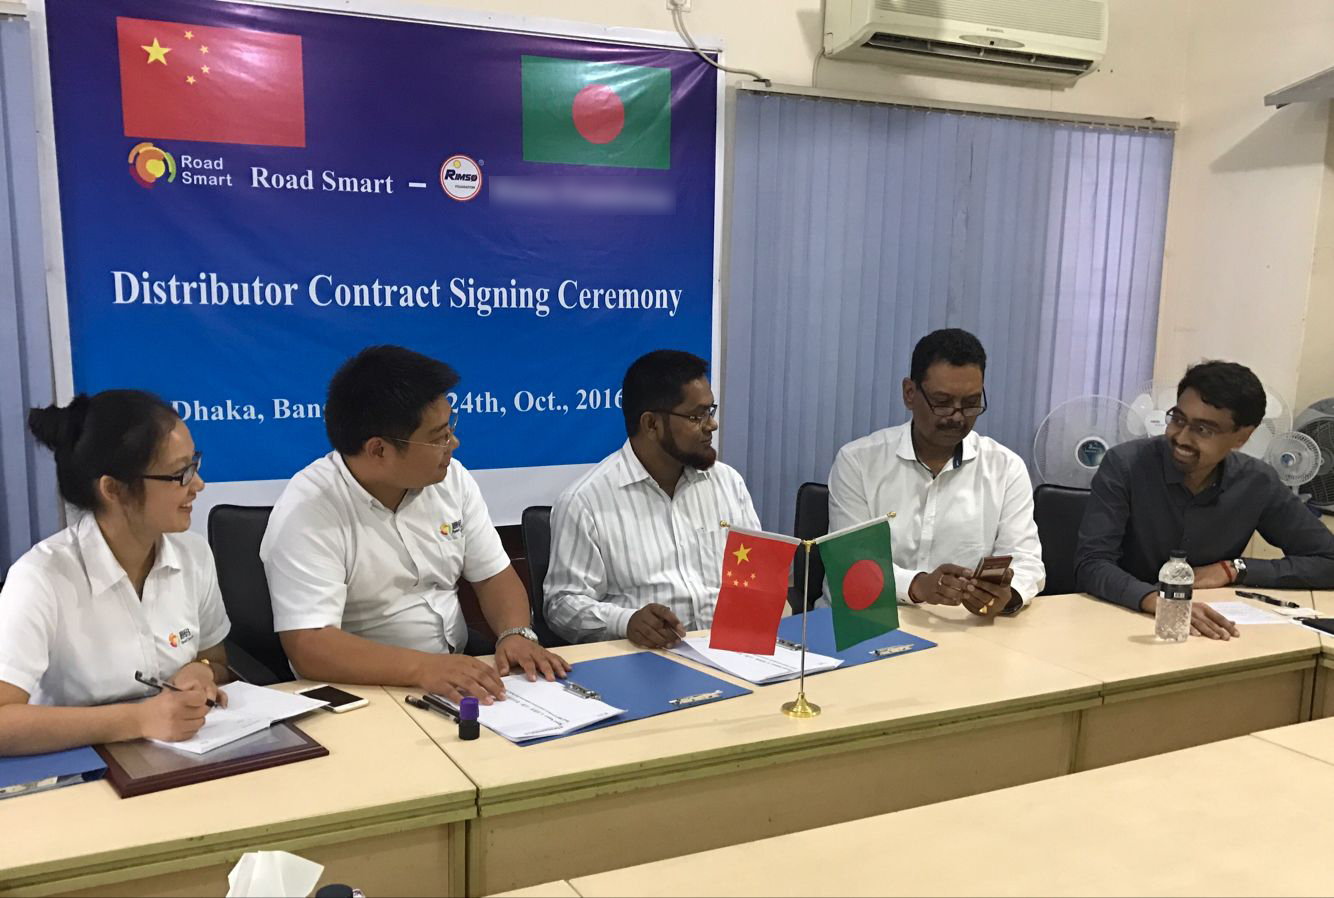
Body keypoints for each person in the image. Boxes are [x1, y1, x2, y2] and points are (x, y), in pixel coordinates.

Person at [261, 346, 569, 705]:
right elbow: (309, 645)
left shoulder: (452, 479)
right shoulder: (308, 510)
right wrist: (423, 668)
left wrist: (515, 633)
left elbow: (493, 576)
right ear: (378, 450)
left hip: (453, 669)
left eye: (450, 427)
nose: (453, 443)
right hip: (359, 689)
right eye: (438, 437)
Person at [0, 391, 230, 756]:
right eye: (180, 473)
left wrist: (201, 671)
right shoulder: (40, 577)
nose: (198, 484)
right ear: (113, 489)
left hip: (183, 756)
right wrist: (138, 720)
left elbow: (216, 659)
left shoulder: (194, 555)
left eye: (195, 464)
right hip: (78, 769)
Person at [1075, 360, 1334, 639]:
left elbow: (1328, 560)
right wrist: (1158, 601)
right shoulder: (1125, 465)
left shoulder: (1257, 481)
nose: (1181, 438)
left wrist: (1234, 569)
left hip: (1210, 630)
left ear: (1242, 437)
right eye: (1178, 419)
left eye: (1203, 430)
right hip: (1120, 621)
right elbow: (1092, 563)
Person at [544, 349, 761, 647]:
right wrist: (626, 621)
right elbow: (562, 604)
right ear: (651, 425)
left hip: (734, 649)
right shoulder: (585, 502)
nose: (712, 425)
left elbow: (756, 574)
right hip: (647, 656)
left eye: (710, 411)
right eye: (696, 416)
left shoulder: (727, 483)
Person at [827, 328, 1045, 616]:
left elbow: (1026, 561)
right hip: (867, 621)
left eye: (971, 403)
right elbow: (851, 564)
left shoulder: (1005, 468)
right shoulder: (858, 462)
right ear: (909, 393)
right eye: (942, 402)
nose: (957, 416)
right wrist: (918, 586)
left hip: (961, 629)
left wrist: (1007, 594)